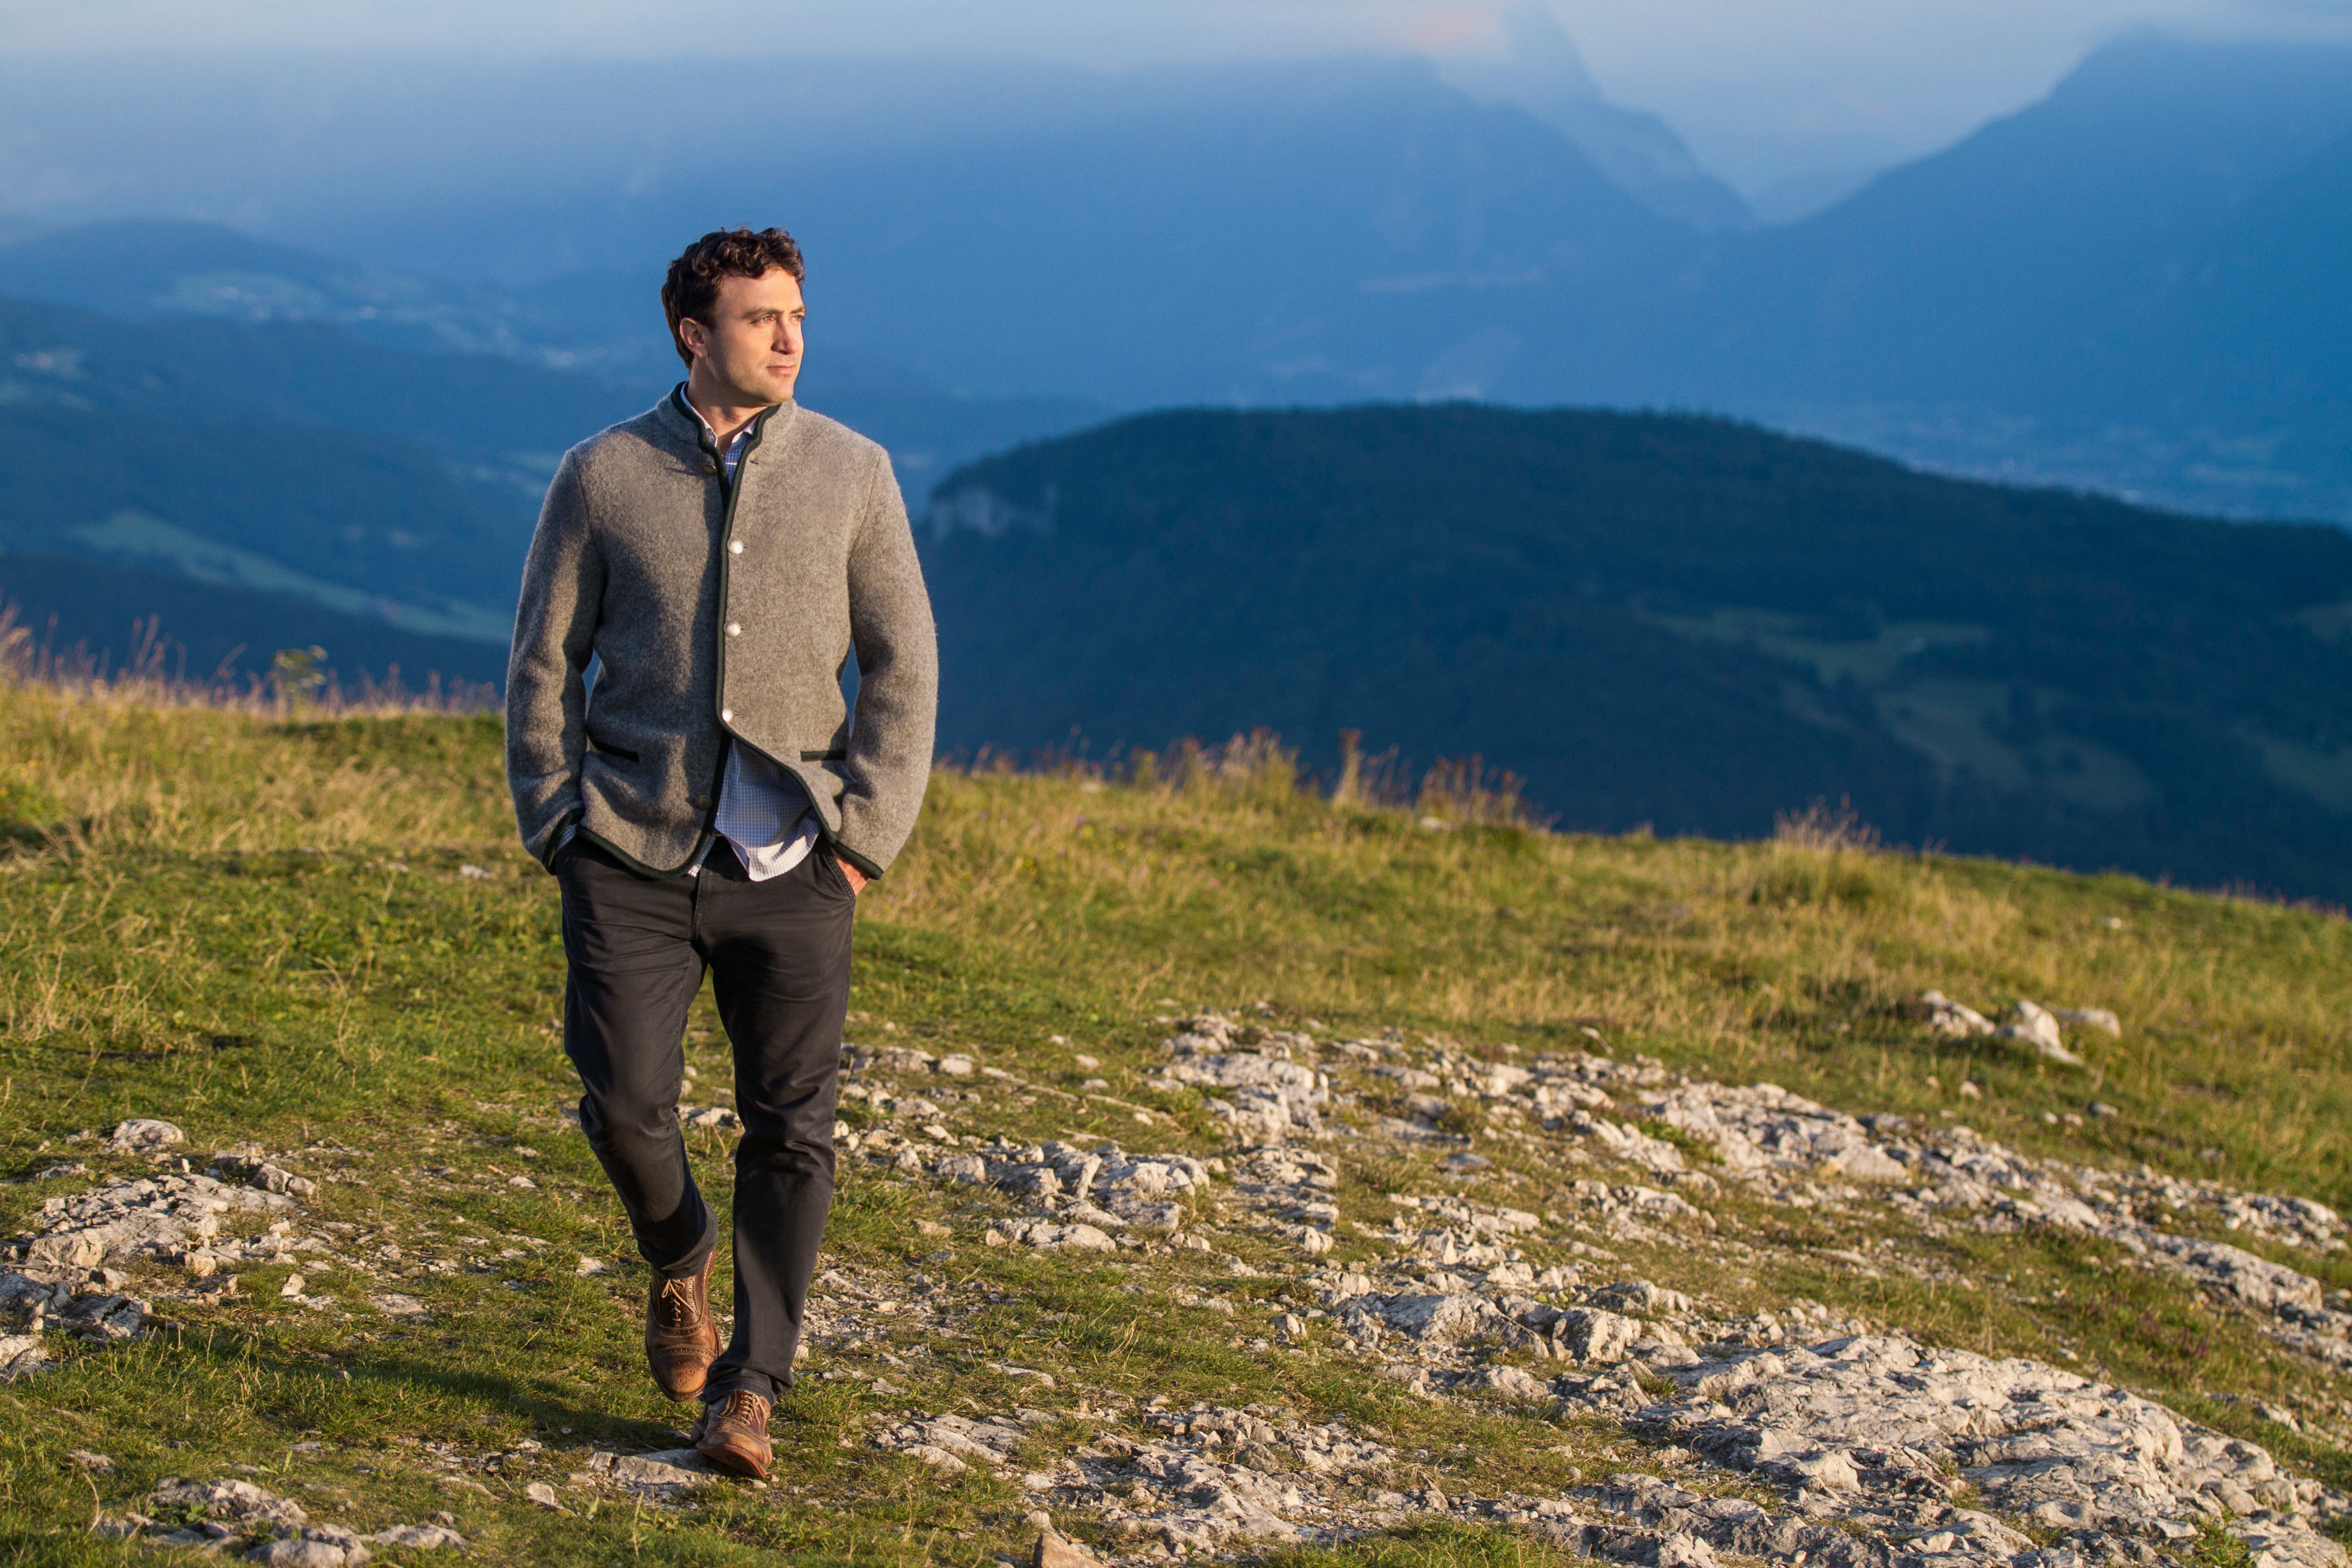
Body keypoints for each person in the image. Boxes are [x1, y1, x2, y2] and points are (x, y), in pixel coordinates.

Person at [504, 225, 938, 1478]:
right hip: (629, 850)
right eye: (762, 319)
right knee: (626, 1099)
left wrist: (863, 839)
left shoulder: (856, 472)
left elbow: (905, 663)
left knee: (794, 1130)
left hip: (797, 861)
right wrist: (555, 818)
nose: (791, 337)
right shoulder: (602, 474)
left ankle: (750, 1388)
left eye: (798, 314)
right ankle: (679, 1251)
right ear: (695, 335)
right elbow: (545, 659)